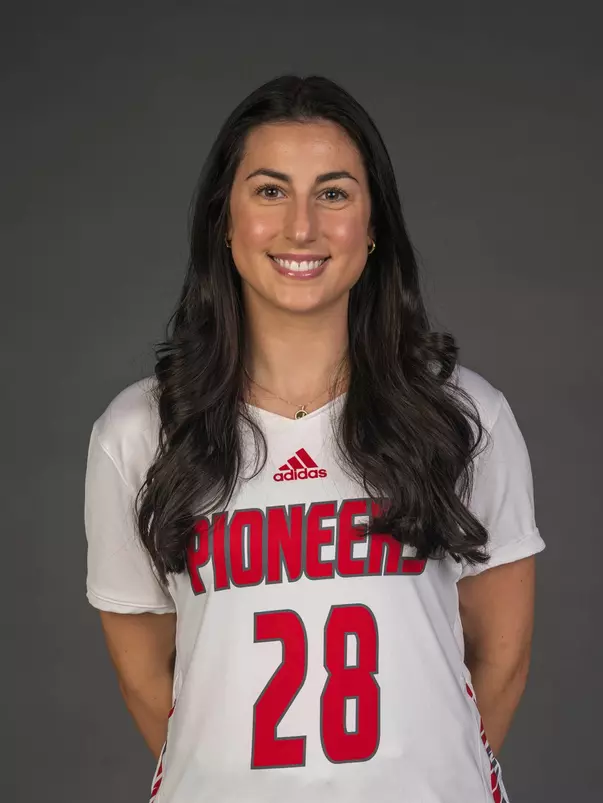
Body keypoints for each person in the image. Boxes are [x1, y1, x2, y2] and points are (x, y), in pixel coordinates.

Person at [84, 75, 545, 803]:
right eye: (270, 191)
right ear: (225, 220)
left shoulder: (462, 415)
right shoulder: (141, 431)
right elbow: (146, 678)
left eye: (333, 193)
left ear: (372, 225)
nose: (301, 227)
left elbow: (502, 657)